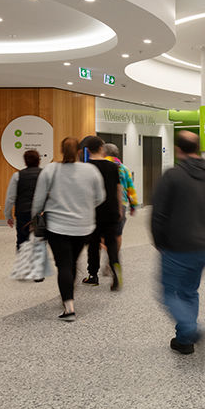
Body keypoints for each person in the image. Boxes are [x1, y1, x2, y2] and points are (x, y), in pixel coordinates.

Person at [151, 131, 205, 355]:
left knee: (168, 293)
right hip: (203, 246)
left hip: (175, 246)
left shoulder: (172, 176)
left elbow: (159, 214)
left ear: (178, 149)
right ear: (198, 148)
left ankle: (190, 329)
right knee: (189, 292)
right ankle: (184, 340)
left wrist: (160, 242)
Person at [31, 136, 105, 322]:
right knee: (71, 263)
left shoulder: (50, 169)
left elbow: (38, 199)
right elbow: (100, 197)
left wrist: (35, 216)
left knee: (63, 264)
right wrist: (85, 206)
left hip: (57, 226)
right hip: (83, 227)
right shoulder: (90, 170)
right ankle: (68, 293)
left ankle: (69, 306)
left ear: (62, 151)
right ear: (80, 151)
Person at [80, 136, 124, 291]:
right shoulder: (113, 167)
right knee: (111, 243)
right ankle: (115, 270)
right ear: (101, 148)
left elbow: (83, 192)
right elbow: (119, 190)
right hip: (111, 210)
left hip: (93, 212)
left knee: (93, 245)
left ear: (88, 150)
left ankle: (93, 276)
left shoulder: (86, 167)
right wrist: (119, 209)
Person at [4, 149, 43, 249]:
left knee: (22, 241)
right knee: (40, 242)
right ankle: (38, 262)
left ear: (25, 161)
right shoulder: (45, 174)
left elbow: (10, 198)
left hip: (23, 213)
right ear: (39, 160)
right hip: (41, 214)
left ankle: (23, 263)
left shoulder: (17, 176)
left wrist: (8, 215)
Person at [103, 143, 139, 242]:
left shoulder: (101, 165)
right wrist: (133, 205)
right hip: (121, 205)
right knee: (117, 234)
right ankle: (114, 256)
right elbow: (130, 189)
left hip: (103, 203)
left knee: (101, 234)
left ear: (104, 153)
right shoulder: (124, 169)